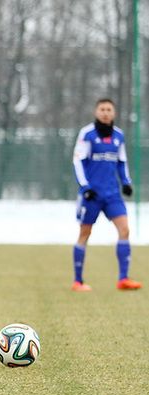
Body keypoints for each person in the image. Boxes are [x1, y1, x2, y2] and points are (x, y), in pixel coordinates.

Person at [71, 98, 142, 292]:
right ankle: (77, 281)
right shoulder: (87, 134)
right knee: (85, 233)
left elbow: (122, 162)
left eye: (109, 109)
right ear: (96, 112)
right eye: (102, 109)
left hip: (112, 194)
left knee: (125, 230)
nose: (105, 113)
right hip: (92, 195)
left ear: (114, 113)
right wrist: (85, 187)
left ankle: (123, 279)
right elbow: (77, 162)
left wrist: (126, 182)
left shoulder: (119, 135)